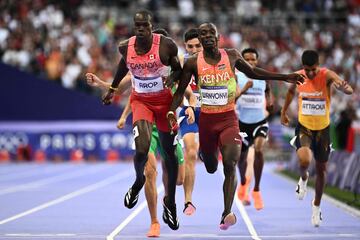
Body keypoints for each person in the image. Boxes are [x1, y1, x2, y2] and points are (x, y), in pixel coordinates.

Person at [167, 22, 304, 230]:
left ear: (218, 36)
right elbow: (180, 92)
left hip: (229, 118)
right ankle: (207, 154)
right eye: (203, 34)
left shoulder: (230, 55)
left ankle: (226, 213)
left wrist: (284, 77)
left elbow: (253, 72)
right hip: (207, 120)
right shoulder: (193, 62)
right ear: (201, 40)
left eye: (211, 33)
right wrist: (170, 111)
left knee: (230, 163)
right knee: (212, 167)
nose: (207, 37)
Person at [86, 28, 194, 236]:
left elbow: (187, 93)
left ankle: (167, 202)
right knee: (149, 172)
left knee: (178, 179)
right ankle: (154, 221)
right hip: (147, 128)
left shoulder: (173, 71)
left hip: (168, 124)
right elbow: (125, 91)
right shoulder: (139, 70)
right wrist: (100, 84)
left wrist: (190, 106)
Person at [281, 50, 353, 227]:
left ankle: (316, 207)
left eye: (313, 69)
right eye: (307, 70)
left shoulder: (326, 74)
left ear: (318, 65)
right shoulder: (298, 75)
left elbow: (345, 87)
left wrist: (344, 88)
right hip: (304, 127)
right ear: (303, 67)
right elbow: (290, 92)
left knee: (321, 170)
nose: (310, 73)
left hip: (323, 129)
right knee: (304, 161)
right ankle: (304, 178)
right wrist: (284, 111)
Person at [235, 48, 274, 210]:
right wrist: (244, 89)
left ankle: (256, 189)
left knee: (258, 149)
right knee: (241, 158)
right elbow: (232, 98)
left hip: (259, 121)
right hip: (242, 123)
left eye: (253, 60)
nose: (250, 63)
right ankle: (243, 183)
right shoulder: (237, 77)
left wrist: (270, 102)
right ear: (242, 62)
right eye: (247, 60)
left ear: (257, 61)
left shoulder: (263, 78)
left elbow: (268, 91)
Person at [178, 28, 203, 215]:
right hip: (189, 112)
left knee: (210, 161)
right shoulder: (180, 61)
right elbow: (179, 88)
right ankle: (188, 201)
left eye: (198, 46)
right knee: (191, 152)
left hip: (210, 113)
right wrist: (187, 105)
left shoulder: (214, 61)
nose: (194, 49)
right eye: (190, 46)